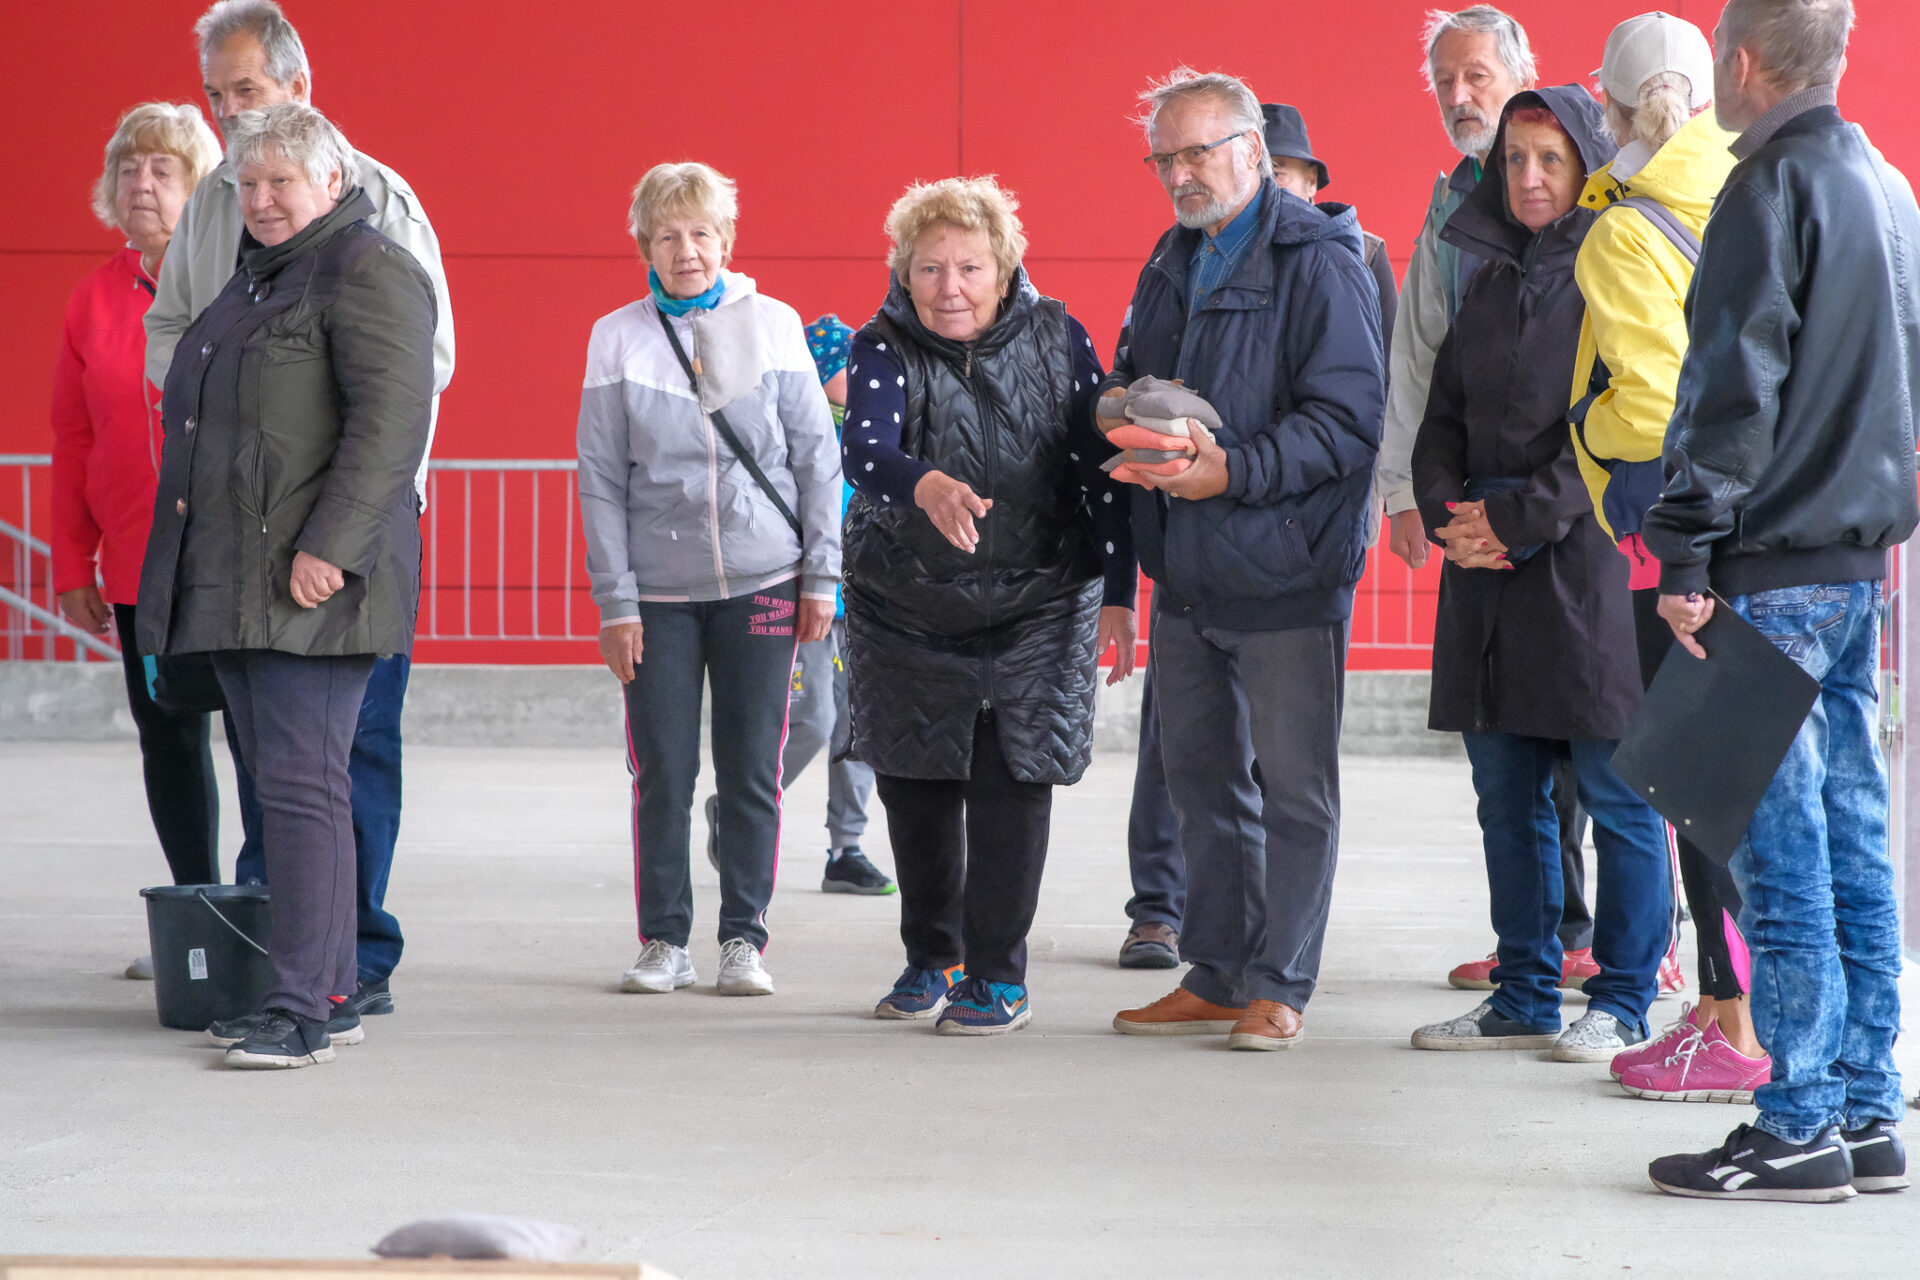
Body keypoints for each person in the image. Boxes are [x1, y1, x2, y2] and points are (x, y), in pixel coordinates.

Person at [1645, 0, 1917, 1203]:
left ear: (1742, 62)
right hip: (1859, 564)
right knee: (1853, 838)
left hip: (1769, 566)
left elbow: (1729, 387)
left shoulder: (1765, 188)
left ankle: (1798, 1116)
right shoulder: (1890, 189)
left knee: (1780, 848)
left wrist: (1686, 553)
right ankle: (1866, 1106)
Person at [143, 0, 454, 1019]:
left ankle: (345, 967)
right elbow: (176, 329)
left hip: (332, 544)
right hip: (240, 538)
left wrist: (338, 536)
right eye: (217, 94)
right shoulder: (219, 206)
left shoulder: (374, 208)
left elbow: (406, 387)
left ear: (298, 87)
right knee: (276, 771)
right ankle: (286, 961)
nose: (230, 111)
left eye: (246, 89)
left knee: (341, 764)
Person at [1106, 68, 1383, 1052]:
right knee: (1203, 783)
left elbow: (1348, 422)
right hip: (1186, 569)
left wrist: (1230, 469)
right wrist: (1119, 410)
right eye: (1164, 159)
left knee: (1295, 791)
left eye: (1197, 152)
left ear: (1254, 151)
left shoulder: (1320, 259)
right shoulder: (1171, 256)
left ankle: (1282, 981)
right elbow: (1137, 370)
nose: (1179, 173)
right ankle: (1219, 971)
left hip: (1286, 571)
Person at [1405, 87, 1672, 1064]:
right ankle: (1522, 990)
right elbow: (1439, 421)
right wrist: (1451, 516)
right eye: (1514, 159)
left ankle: (1625, 999)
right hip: (1484, 568)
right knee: (1505, 793)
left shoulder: (1612, 265)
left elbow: (1625, 418)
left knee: (1616, 790)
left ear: (1587, 164)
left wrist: (1512, 522)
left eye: (1550, 159)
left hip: (1583, 561)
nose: (1528, 177)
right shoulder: (1482, 282)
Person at [843, 175, 1136, 1035]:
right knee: (915, 786)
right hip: (904, 606)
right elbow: (865, 450)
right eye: (930, 269)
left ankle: (999, 977)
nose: (950, 288)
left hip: (1040, 601)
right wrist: (925, 483)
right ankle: (934, 955)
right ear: (905, 273)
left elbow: (1099, 469)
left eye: (970, 268)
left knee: (1014, 779)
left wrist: (1120, 591)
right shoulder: (881, 344)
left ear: (1004, 271)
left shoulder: (1058, 336)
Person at [1377, 6, 1619, 994]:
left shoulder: (1607, 229)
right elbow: (1424, 365)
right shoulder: (1452, 212)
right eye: (1445, 80)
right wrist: (1425, 501)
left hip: (1571, 528)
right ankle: (1539, 951)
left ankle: (1615, 954)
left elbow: (1623, 401)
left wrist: (1519, 517)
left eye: (1476, 74)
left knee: (1598, 766)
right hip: (1478, 523)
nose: (1459, 94)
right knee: (1509, 771)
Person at [1564, 13, 1768, 1103]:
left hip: (1674, 539)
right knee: (1767, 788)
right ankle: (1756, 1014)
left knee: (1698, 791)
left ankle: (1730, 1023)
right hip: (1776, 528)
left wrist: (1589, 430)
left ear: (1613, 107)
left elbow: (1649, 407)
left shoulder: (1623, 230)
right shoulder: (1763, 186)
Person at [578, 161, 842, 1000]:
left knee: (751, 769)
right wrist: (616, 601)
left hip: (765, 581)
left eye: (700, 232)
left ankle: (742, 939)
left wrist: (822, 577)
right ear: (644, 246)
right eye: (667, 235)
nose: (685, 250)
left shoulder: (775, 325)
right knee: (661, 771)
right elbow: (600, 480)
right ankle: (664, 940)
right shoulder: (615, 337)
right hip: (656, 596)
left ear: (726, 239)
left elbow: (816, 459)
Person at [49, 102, 223, 976]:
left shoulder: (234, 281)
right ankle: (198, 916)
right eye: (129, 168)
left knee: (266, 745)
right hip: (137, 568)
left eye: (163, 169)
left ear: (202, 188)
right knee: (169, 739)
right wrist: (70, 559)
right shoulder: (93, 297)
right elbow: (73, 436)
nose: (141, 184)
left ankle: (274, 919)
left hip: (231, 562)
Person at [777, 314, 892, 895]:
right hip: (811, 604)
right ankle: (746, 802)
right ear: (820, 374)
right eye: (849, 368)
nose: (862, 377)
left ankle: (846, 850)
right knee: (813, 719)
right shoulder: (795, 435)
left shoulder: (877, 436)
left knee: (860, 727)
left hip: (866, 605)